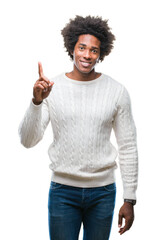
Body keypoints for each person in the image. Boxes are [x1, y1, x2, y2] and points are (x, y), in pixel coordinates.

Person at [18, 15, 138, 240]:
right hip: (63, 192)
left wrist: (129, 198)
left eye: (94, 50)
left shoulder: (116, 91)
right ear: (71, 47)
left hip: (103, 194)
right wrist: (36, 102)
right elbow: (27, 140)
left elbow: (128, 146)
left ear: (100, 54)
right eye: (82, 47)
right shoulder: (52, 89)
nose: (87, 55)